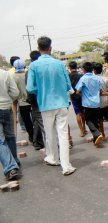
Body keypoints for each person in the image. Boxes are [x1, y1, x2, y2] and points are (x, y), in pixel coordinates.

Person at [26, 36, 76, 176]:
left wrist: (41, 92)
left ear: (38, 48)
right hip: (61, 104)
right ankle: (66, 166)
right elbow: (68, 85)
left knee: (49, 134)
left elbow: (30, 88)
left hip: (45, 104)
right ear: (50, 48)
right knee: (63, 134)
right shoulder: (59, 64)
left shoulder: (34, 66)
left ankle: (53, 158)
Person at [75, 62, 103, 147]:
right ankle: (96, 139)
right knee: (95, 121)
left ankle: (97, 134)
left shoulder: (83, 78)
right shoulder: (97, 78)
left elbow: (77, 91)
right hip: (97, 103)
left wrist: (83, 96)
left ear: (83, 69)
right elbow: (100, 91)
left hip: (88, 104)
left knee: (88, 120)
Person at [0, 69, 20, 180]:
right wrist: (8, 100)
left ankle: (10, 167)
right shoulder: (5, 73)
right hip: (6, 108)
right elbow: (15, 93)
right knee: (10, 136)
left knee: (0, 140)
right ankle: (15, 160)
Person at [26, 50, 45, 150]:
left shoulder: (31, 69)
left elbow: (29, 88)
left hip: (35, 101)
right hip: (40, 100)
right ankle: (40, 143)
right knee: (41, 123)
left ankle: (37, 142)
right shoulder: (37, 68)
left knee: (37, 121)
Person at [12, 59, 34, 144]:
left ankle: (31, 137)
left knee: (27, 122)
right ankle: (36, 137)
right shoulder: (28, 74)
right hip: (32, 101)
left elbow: (14, 92)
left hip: (22, 103)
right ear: (24, 66)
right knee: (35, 120)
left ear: (14, 67)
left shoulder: (13, 77)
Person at [68, 61, 87, 137]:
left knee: (78, 113)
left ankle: (81, 130)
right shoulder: (80, 75)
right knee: (83, 112)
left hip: (73, 96)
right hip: (81, 95)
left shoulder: (68, 76)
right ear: (76, 67)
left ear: (69, 68)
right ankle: (85, 128)